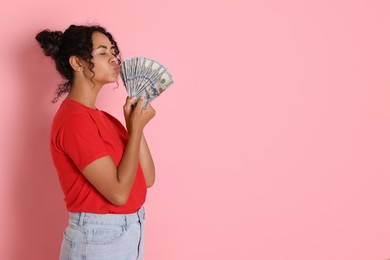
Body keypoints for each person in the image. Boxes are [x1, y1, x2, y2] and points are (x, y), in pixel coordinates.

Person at [35, 24, 156, 260]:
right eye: (103, 53)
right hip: (99, 239)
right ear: (77, 63)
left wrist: (135, 128)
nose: (113, 58)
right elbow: (119, 194)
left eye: (113, 52)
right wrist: (136, 127)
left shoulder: (106, 119)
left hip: (130, 231)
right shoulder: (74, 120)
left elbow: (148, 178)